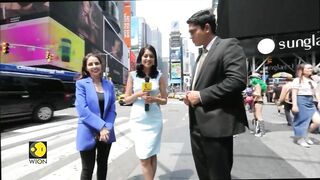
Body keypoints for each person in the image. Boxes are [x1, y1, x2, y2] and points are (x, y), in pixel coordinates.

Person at [183, 9, 248, 180]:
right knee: (203, 174)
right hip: (196, 126)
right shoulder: (201, 54)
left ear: (206, 28)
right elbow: (202, 85)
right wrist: (191, 96)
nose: (190, 36)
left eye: (192, 31)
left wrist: (201, 96)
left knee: (218, 175)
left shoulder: (228, 45)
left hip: (217, 127)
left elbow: (237, 80)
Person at [124, 45, 167, 180]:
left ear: (154, 59)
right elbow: (126, 99)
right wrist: (138, 94)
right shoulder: (132, 75)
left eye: (151, 56)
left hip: (154, 119)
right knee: (144, 157)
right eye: (145, 56)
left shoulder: (159, 76)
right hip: (138, 120)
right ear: (140, 58)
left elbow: (164, 100)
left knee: (152, 154)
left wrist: (153, 99)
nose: (148, 58)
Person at [75, 53, 116, 180]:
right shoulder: (81, 84)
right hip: (87, 131)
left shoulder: (109, 84)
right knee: (87, 169)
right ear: (86, 67)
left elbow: (112, 110)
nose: (94, 66)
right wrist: (101, 127)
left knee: (103, 166)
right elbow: (82, 110)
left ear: (101, 65)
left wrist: (106, 128)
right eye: (90, 64)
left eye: (96, 63)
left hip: (106, 133)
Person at [291, 63, 320, 148]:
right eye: (308, 68)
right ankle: (301, 139)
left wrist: (319, 101)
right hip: (301, 100)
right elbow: (294, 93)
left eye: (311, 68)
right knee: (302, 121)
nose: (311, 70)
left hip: (310, 101)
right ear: (302, 70)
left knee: (317, 121)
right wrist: (294, 105)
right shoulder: (297, 80)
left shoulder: (312, 81)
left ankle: (305, 135)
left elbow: (316, 93)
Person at [249, 72, 267, 137]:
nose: (250, 79)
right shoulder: (257, 85)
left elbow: (258, 94)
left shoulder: (257, 85)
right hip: (257, 101)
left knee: (259, 116)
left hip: (258, 101)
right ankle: (258, 131)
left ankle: (262, 132)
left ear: (255, 79)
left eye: (252, 78)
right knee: (256, 116)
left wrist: (251, 93)